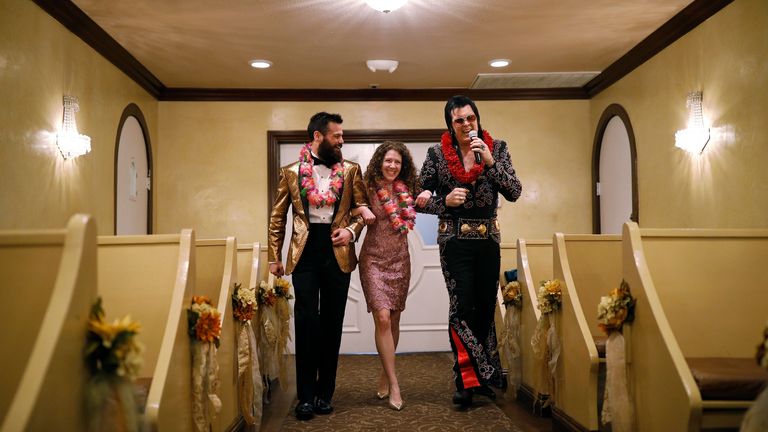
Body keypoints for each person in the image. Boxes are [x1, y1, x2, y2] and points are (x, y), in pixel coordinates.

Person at [415, 95, 522, 408]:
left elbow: (514, 191)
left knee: (485, 308)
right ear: (450, 123)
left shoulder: (497, 148)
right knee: (461, 308)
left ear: (478, 119)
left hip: (488, 240)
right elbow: (415, 197)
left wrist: (489, 162)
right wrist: (442, 202)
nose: (466, 124)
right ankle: (468, 379)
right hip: (454, 241)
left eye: (470, 118)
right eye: (459, 120)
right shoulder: (436, 154)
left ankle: (477, 380)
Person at [268, 112, 368, 421]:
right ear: (317, 137)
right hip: (305, 252)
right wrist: (275, 256)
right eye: (336, 135)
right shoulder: (290, 172)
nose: (342, 140)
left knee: (332, 322)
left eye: (342, 135)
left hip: (337, 249)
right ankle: (306, 397)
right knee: (307, 322)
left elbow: (361, 212)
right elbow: (277, 217)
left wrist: (351, 231)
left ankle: (326, 393)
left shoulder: (352, 171)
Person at [351, 141, 419, 411]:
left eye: (397, 162)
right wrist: (361, 209)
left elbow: (425, 202)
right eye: (388, 160)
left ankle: (384, 371)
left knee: (393, 318)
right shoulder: (368, 186)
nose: (392, 166)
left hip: (400, 259)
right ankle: (395, 383)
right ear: (380, 161)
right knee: (381, 317)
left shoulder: (408, 188)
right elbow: (347, 207)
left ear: (403, 167)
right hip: (373, 260)